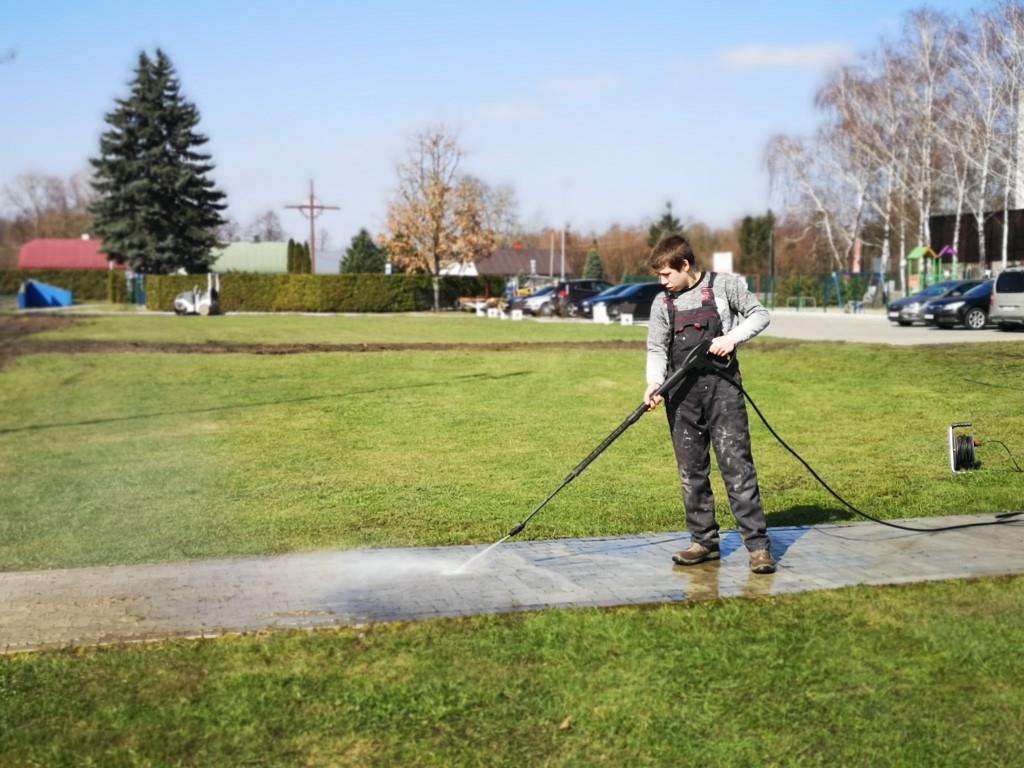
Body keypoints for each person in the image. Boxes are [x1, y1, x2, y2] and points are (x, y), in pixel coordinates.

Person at [643, 235, 775, 574]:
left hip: (724, 392)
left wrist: (732, 337)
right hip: (681, 397)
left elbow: (760, 315)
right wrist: (654, 384)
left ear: (685, 266)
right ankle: (703, 542)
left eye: (666, 275)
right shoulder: (662, 304)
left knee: (737, 468)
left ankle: (758, 547)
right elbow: (657, 348)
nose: (663, 282)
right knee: (691, 473)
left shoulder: (724, 287)